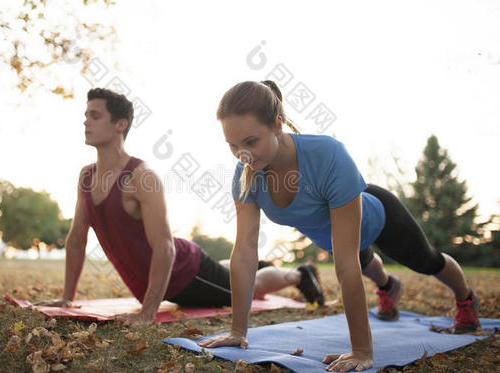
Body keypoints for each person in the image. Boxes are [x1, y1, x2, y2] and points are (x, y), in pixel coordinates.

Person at [198, 80, 481, 372]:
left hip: (379, 217)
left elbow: (345, 264)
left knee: (426, 260)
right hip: (335, 237)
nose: (242, 154)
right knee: (364, 260)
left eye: (251, 142)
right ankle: (387, 287)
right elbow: (244, 252)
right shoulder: (246, 175)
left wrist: (361, 350)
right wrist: (238, 331)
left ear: (278, 125)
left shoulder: (328, 155)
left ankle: (466, 299)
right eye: (232, 145)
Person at [34, 88, 325, 325]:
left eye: (95, 116)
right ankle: (242, 268)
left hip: (184, 272)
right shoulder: (87, 176)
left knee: (249, 289)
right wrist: (66, 298)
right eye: (86, 115)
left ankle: (300, 274)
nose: (86, 121)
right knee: (228, 274)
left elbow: (165, 249)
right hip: (170, 276)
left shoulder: (141, 177)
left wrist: (147, 312)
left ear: (120, 124)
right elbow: (76, 240)